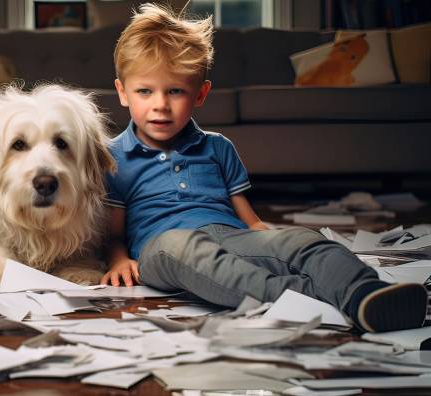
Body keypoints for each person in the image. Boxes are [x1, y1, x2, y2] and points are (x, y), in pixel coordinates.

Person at [100, 3, 427, 333]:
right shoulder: (114, 157)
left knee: (302, 241)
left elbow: (250, 219)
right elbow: (114, 232)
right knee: (184, 248)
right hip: (162, 248)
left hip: (230, 235)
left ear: (200, 94)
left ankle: (366, 293)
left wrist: (276, 241)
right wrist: (118, 259)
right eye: (145, 91)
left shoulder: (218, 147)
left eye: (175, 91)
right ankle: (316, 298)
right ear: (123, 92)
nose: (160, 105)